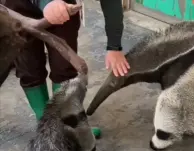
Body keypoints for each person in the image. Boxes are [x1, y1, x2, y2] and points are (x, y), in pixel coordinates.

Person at [4, 0, 130, 137]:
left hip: (64, 5)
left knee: (64, 66)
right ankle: (45, 124)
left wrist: (114, 46)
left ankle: (67, 122)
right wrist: (47, 3)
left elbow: (111, 3)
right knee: (29, 67)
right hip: (16, 5)